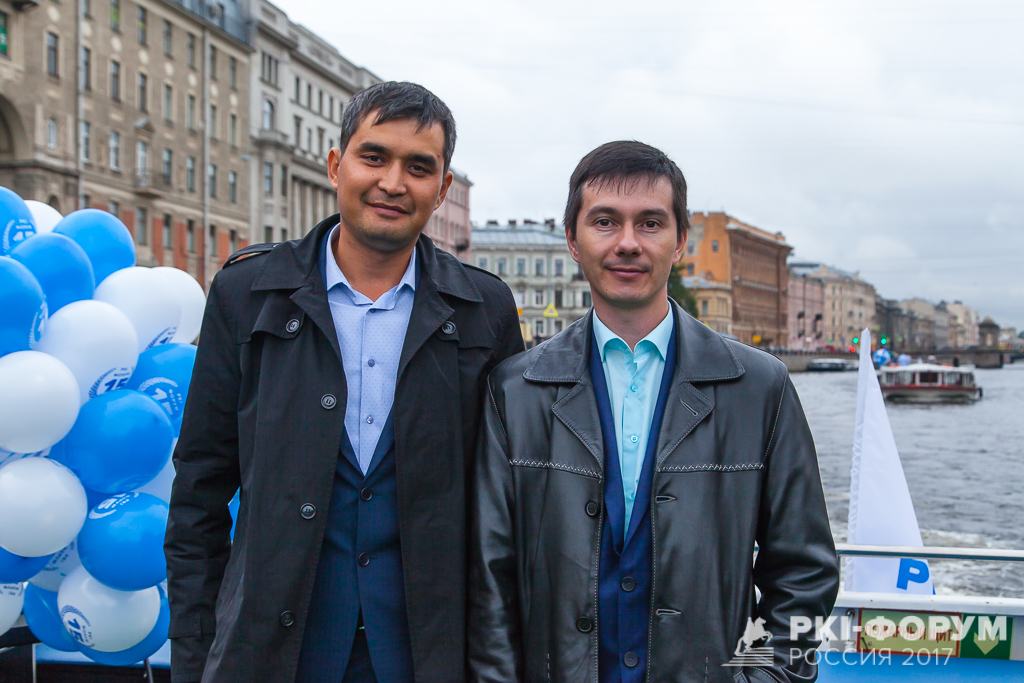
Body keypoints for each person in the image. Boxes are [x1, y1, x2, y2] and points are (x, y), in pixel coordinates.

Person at [165, 81, 523, 683]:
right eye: (374, 157)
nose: (393, 183)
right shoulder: (245, 294)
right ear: (336, 166)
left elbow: (506, 508)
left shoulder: (483, 310)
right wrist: (197, 656)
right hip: (277, 654)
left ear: (441, 189)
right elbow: (199, 494)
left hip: (429, 656)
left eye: (418, 168)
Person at [469, 141, 839, 682]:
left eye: (650, 223)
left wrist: (765, 678)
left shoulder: (761, 388)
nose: (627, 243)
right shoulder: (515, 390)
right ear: (572, 240)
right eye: (604, 222)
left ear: (680, 240)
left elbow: (805, 575)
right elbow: (489, 579)